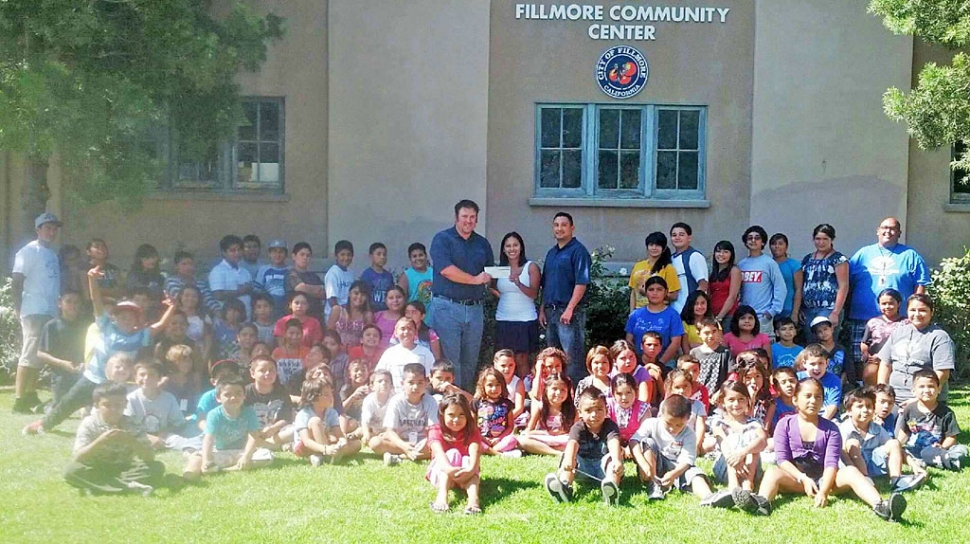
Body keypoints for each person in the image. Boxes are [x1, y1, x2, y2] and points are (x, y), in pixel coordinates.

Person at [23, 265, 176, 435]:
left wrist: (172, 307)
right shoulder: (106, 326)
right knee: (67, 403)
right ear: (115, 318)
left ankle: (119, 432)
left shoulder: (140, 335)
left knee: (116, 410)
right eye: (122, 316)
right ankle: (44, 425)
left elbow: (161, 325)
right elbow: (96, 301)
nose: (126, 319)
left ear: (136, 319)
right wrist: (92, 279)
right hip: (91, 378)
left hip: (116, 384)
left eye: (131, 317)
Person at [743, 378, 907, 521]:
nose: (813, 401)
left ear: (823, 401)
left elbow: (831, 463)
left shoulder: (831, 428)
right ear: (795, 400)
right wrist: (803, 478)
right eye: (807, 396)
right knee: (772, 472)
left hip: (825, 479)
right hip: (796, 479)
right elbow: (782, 460)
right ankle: (761, 503)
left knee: (850, 471)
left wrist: (823, 491)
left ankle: (882, 506)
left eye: (818, 397)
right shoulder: (784, 425)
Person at [847, 218, 930, 382]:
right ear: (877, 230)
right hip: (863, 316)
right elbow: (847, 281)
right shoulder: (863, 254)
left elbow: (920, 284)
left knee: (897, 357)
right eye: (884, 228)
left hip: (898, 320)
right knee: (861, 358)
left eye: (893, 229)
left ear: (899, 233)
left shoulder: (910, 255)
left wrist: (914, 311)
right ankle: (863, 393)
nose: (888, 231)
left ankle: (892, 391)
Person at [430, 200, 495, 389]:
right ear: (456, 218)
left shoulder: (482, 243)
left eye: (472, 217)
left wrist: (508, 278)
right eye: (465, 216)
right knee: (451, 360)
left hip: (475, 309)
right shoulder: (442, 239)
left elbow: (489, 272)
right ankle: (451, 402)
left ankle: (466, 402)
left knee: (470, 361)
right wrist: (475, 280)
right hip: (447, 307)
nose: (468, 221)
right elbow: (446, 270)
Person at [64, 381, 164, 495]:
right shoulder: (89, 423)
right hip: (96, 467)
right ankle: (128, 487)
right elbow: (78, 457)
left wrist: (131, 441)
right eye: (107, 405)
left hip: (124, 468)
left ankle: (98, 487)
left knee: (157, 467)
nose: (113, 409)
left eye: (118, 405)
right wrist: (100, 441)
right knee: (71, 471)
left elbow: (149, 458)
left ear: (125, 404)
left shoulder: (133, 423)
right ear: (97, 405)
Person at [11, 212, 61, 414]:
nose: (52, 231)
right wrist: (17, 307)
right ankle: (19, 398)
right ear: (38, 230)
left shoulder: (51, 254)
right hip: (34, 309)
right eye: (47, 227)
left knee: (40, 354)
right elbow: (17, 279)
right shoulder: (29, 251)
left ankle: (31, 393)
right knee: (29, 354)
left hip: (49, 310)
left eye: (54, 228)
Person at [183, 375, 275, 480]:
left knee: (266, 455)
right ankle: (188, 477)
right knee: (197, 458)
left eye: (238, 393)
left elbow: (253, 437)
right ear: (218, 398)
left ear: (244, 395)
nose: (233, 398)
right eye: (227, 395)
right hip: (220, 452)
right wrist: (207, 460)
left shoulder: (249, 412)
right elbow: (208, 439)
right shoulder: (214, 414)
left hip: (242, 451)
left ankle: (227, 469)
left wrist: (246, 456)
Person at [544, 388, 624, 506]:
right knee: (569, 456)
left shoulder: (610, 426)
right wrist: (568, 461)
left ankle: (612, 489)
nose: (594, 415)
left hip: (604, 470)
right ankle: (565, 486)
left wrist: (617, 460)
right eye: (588, 410)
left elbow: (613, 442)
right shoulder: (578, 427)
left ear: (606, 410)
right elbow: (572, 444)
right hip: (583, 469)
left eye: (599, 410)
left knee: (612, 459)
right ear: (580, 412)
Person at [630, 394, 717, 503]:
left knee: (695, 474)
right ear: (661, 414)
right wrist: (643, 464)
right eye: (668, 423)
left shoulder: (689, 434)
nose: (672, 428)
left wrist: (674, 474)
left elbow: (687, 460)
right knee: (648, 442)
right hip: (654, 464)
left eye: (678, 425)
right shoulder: (651, 424)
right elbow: (634, 441)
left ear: (688, 419)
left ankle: (708, 497)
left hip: (677, 467)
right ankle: (654, 484)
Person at [840, 388, 927, 493]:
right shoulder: (844, 428)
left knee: (894, 443)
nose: (865, 410)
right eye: (859, 406)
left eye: (869, 406)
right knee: (852, 443)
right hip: (854, 467)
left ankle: (896, 479)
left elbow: (896, 448)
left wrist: (914, 465)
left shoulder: (877, 428)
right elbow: (841, 453)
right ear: (849, 411)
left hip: (875, 463)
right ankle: (866, 479)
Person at [874, 294, 955, 405]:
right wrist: (882, 392)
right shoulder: (898, 332)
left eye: (922, 310)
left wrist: (918, 399)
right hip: (894, 399)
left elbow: (943, 373)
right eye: (912, 310)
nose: (917, 314)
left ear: (931, 312)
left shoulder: (940, 337)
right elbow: (885, 364)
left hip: (926, 400)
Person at [894, 370, 968, 471]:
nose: (927, 390)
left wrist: (942, 446)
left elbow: (951, 438)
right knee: (899, 450)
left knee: (961, 449)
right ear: (913, 391)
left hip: (937, 450)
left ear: (939, 389)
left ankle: (939, 459)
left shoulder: (946, 413)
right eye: (921, 387)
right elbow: (904, 432)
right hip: (914, 450)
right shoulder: (909, 409)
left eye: (931, 386)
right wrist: (898, 445)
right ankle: (939, 462)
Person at [491, 232, 540, 377]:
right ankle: (504, 394)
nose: (512, 249)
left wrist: (518, 284)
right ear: (503, 249)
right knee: (504, 359)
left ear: (521, 247)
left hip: (524, 320)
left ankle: (523, 395)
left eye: (515, 245)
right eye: (508, 246)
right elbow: (492, 287)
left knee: (521, 360)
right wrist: (504, 297)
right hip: (503, 319)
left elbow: (534, 294)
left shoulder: (530, 267)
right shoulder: (500, 269)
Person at [707, 381, 767, 494]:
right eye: (731, 400)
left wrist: (743, 453)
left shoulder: (753, 423)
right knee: (733, 439)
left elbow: (763, 441)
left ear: (747, 401)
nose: (736, 404)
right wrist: (736, 459)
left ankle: (748, 485)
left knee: (754, 439)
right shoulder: (719, 422)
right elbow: (722, 443)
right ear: (722, 402)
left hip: (751, 469)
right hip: (726, 466)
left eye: (741, 399)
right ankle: (733, 485)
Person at [428, 393, 484, 514]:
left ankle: (473, 502)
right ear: (442, 415)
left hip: (466, 474)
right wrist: (450, 470)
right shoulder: (436, 430)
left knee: (467, 460)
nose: (456, 420)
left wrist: (470, 469)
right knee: (453, 453)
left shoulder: (472, 431)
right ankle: (442, 498)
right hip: (441, 472)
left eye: (461, 415)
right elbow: (438, 453)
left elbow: (475, 452)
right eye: (451, 415)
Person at [125, 360, 197, 451]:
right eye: (142, 375)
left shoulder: (168, 398)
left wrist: (164, 432)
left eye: (151, 374)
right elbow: (128, 425)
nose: (146, 378)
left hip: (164, 434)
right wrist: (149, 437)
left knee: (179, 440)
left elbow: (178, 423)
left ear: (159, 378)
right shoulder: (131, 399)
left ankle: (193, 450)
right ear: (135, 377)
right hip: (140, 435)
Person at [376, 362, 438, 466]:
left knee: (441, 444)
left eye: (420, 383)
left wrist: (427, 443)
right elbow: (389, 431)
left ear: (426, 383)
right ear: (402, 383)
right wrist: (404, 446)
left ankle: (400, 457)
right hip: (401, 441)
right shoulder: (396, 401)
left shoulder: (430, 401)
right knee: (375, 443)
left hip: (423, 442)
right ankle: (412, 453)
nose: (415, 387)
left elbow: (434, 430)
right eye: (411, 382)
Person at [795, 224, 849, 343]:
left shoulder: (838, 259)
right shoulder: (807, 259)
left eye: (825, 239)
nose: (821, 242)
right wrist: (800, 309)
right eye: (818, 239)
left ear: (831, 240)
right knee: (811, 344)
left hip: (829, 308)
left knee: (826, 343)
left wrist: (836, 312)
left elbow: (843, 286)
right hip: (808, 309)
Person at [36, 290, 90, 406]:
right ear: (60, 303)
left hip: (83, 372)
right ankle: (47, 406)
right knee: (60, 408)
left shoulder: (87, 325)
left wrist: (85, 364)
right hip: (61, 374)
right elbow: (40, 353)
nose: (73, 305)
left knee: (85, 406)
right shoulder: (52, 326)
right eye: (69, 302)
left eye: (76, 302)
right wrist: (62, 363)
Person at [292, 378, 361, 465]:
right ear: (314, 398)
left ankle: (320, 456)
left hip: (326, 442)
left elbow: (339, 434)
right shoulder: (303, 414)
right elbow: (306, 441)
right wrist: (325, 449)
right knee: (315, 421)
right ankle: (325, 455)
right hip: (306, 447)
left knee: (357, 444)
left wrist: (342, 441)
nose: (331, 397)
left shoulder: (331, 412)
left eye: (331, 393)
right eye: (326, 395)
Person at [737, 226, 786, 341]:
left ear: (763, 242)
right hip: (744, 317)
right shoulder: (741, 264)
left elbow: (780, 288)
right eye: (750, 238)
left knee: (763, 353)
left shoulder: (769, 263)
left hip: (762, 317)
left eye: (757, 238)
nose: (753, 240)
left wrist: (772, 312)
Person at [625, 276, 684, 365]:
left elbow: (675, 343)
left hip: (665, 363)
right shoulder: (635, 315)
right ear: (645, 292)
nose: (655, 293)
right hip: (638, 363)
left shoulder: (673, 315)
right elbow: (629, 341)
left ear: (666, 292)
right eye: (651, 289)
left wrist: (661, 363)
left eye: (659, 289)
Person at [518, 373, 575, 456]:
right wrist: (546, 433)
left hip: (563, 439)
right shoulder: (541, 407)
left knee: (578, 442)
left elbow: (576, 432)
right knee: (522, 440)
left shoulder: (572, 409)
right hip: (545, 438)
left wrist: (562, 432)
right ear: (546, 390)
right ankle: (557, 453)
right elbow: (529, 430)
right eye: (554, 389)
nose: (558, 393)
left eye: (563, 390)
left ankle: (541, 449)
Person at [245, 356, 295, 449]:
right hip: (252, 432)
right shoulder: (246, 392)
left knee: (295, 429)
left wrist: (273, 428)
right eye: (262, 370)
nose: (268, 373)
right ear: (252, 373)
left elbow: (286, 417)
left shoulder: (282, 391)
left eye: (271, 370)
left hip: (275, 432)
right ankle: (275, 446)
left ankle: (267, 444)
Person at [860, 289, 907, 386]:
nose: (887, 306)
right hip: (874, 359)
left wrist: (884, 357)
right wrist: (866, 353)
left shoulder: (906, 323)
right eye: (883, 304)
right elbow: (864, 342)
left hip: (897, 360)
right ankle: (873, 397)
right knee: (869, 373)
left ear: (899, 304)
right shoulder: (873, 322)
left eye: (891, 303)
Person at [375, 317, 435, 392]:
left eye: (410, 329)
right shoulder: (389, 353)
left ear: (415, 332)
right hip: (394, 396)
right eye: (402, 329)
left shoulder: (425, 353)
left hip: (418, 397)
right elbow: (379, 375)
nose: (406, 332)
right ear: (396, 333)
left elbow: (431, 377)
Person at [472, 367, 519, 456]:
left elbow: (510, 426)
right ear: (483, 386)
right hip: (481, 439)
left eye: (498, 385)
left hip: (499, 440)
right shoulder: (476, 403)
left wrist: (499, 438)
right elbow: (472, 426)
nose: (494, 389)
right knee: (471, 440)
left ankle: (491, 450)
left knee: (512, 440)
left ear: (503, 385)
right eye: (490, 385)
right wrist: (482, 438)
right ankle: (498, 453)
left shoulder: (507, 404)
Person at [629, 231, 681, 311]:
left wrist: (648, 293)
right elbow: (633, 292)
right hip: (639, 310)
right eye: (651, 245)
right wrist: (632, 312)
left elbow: (674, 296)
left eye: (657, 245)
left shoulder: (668, 268)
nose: (654, 248)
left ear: (663, 248)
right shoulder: (638, 266)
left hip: (659, 311)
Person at [209, 234, 255, 320]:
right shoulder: (218, 271)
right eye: (232, 251)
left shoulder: (245, 272)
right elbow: (218, 295)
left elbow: (250, 293)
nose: (237, 253)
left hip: (246, 320)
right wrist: (240, 291)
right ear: (224, 252)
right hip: (227, 321)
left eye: (239, 250)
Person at [669, 222, 709, 314]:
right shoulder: (670, 259)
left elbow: (703, 285)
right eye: (674, 235)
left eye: (681, 235)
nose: (677, 238)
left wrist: (692, 307)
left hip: (688, 314)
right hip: (673, 313)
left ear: (689, 238)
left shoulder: (694, 256)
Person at [796, 344, 842, 420]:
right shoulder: (797, 378)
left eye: (820, 363)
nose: (817, 368)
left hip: (826, 418)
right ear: (804, 363)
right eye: (812, 364)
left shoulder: (834, 380)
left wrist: (821, 424)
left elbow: (833, 406)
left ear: (827, 363)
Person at [285, 242, 326, 322]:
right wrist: (317, 289)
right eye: (302, 254)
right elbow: (300, 288)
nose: (305, 257)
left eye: (308, 255)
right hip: (296, 321)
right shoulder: (290, 274)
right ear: (294, 256)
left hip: (315, 318)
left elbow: (324, 293)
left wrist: (308, 288)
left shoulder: (314, 276)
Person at [690, 318, 731, 397]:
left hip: (719, 395)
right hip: (698, 395)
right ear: (699, 334)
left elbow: (731, 375)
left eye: (714, 331)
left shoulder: (725, 352)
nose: (711, 335)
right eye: (706, 333)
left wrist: (721, 392)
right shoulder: (694, 353)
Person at [397, 242, 434, 326]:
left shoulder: (434, 272)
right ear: (410, 259)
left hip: (433, 319)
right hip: (413, 320)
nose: (418, 258)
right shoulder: (406, 276)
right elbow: (400, 300)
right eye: (414, 256)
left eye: (420, 255)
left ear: (426, 256)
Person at [768, 233, 802, 323]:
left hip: (787, 309)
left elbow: (798, 289)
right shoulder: (767, 264)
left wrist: (795, 313)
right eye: (774, 244)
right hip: (768, 310)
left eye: (780, 243)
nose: (777, 246)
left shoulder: (794, 265)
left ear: (786, 246)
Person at [255, 239, 289, 318]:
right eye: (274, 252)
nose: (277, 255)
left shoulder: (291, 270)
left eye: (281, 252)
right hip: (268, 309)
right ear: (269, 254)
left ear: (286, 254)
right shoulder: (263, 270)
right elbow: (257, 291)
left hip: (286, 307)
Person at [325, 240, 356, 322]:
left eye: (349, 255)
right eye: (342, 255)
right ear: (336, 256)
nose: (346, 258)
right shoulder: (333, 273)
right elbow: (332, 299)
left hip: (349, 314)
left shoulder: (351, 273)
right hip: (335, 316)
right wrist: (341, 313)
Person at [360, 242, 394, 311]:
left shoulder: (388, 276)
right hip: (371, 312)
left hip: (385, 312)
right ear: (371, 256)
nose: (382, 257)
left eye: (384, 255)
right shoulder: (366, 275)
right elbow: (364, 296)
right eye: (378, 254)